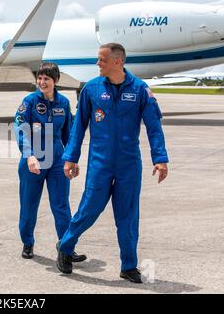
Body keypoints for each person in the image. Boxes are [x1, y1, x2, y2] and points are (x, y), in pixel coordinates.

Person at [56, 43, 169, 283]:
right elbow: (79, 127)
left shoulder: (140, 90)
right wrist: (70, 158)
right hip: (100, 162)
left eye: (102, 60)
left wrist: (160, 159)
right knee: (89, 209)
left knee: (128, 216)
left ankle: (128, 265)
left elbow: (154, 127)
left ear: (117, 62)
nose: (98, 64)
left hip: (129, 163)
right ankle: (65, 247)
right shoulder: (91, 89)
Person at [14, 62, 86, 262]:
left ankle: (66, 246)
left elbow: (69, 134)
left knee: (61, 205)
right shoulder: (28, 102)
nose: (42, 82)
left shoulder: (63, 102)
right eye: (39, 78)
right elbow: (21, 129)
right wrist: (28, 155)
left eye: (47, 78)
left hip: (56, 159)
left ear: (55, 81)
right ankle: (27, 243)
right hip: (33, 159)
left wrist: (72, 158)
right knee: (29, 206)